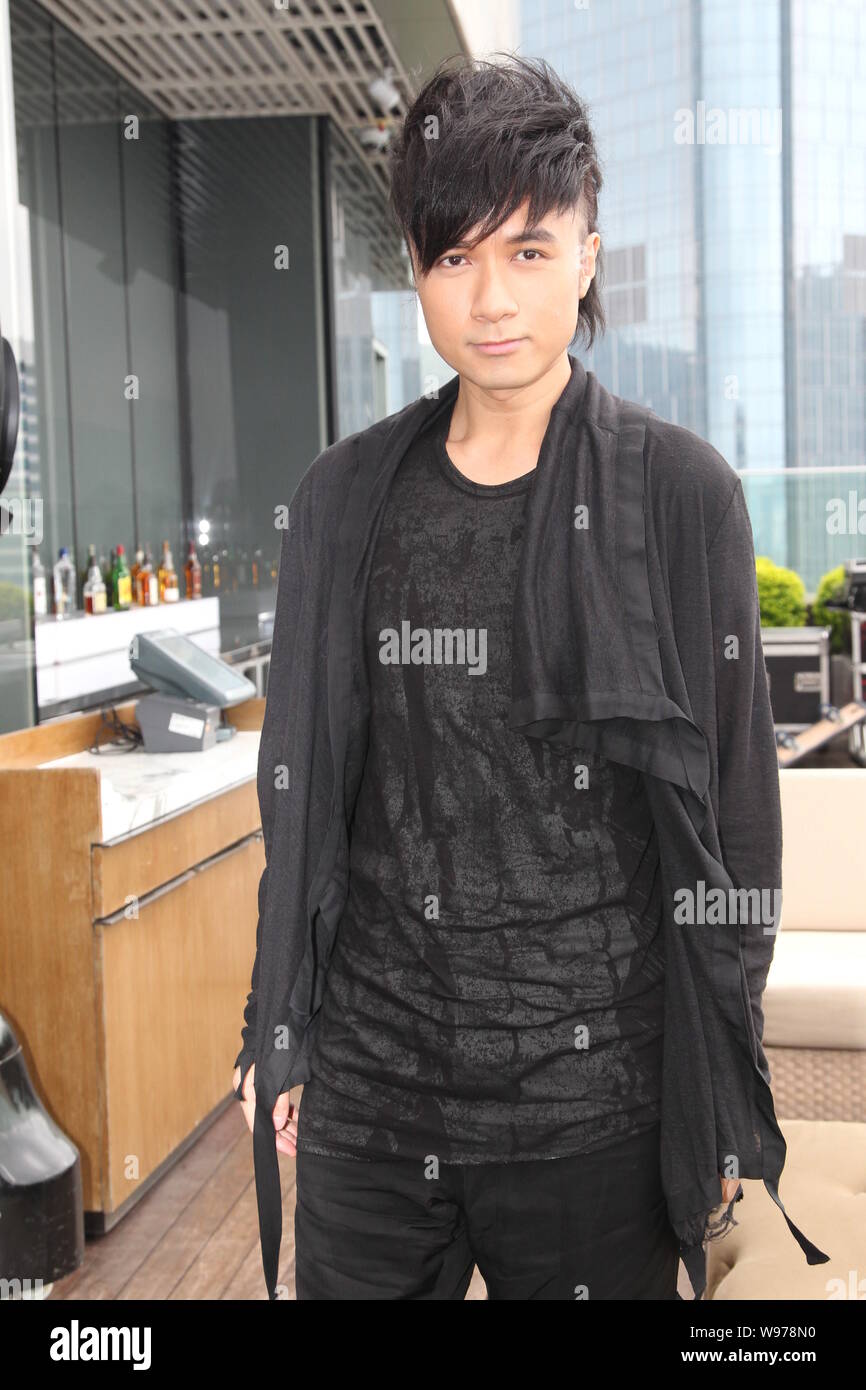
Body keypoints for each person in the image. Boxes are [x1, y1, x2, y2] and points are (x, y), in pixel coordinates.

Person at [232, 54, 826, 1301]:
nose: (489, 297)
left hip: (595, 1109)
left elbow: (733, 820)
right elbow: (300, 798)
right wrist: (279, 1032)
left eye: (527, 252)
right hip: (374, 1102)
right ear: (414, 271)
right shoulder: (344, 499)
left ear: (589, 258)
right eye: (454, 258)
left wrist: (716, 1085)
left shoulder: (677, 495)